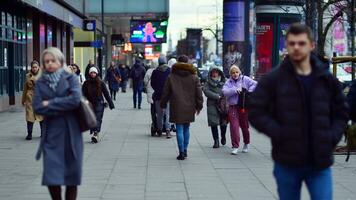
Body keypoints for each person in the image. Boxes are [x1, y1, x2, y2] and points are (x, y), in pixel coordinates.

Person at [248, 24, 349, 200]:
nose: (296, 47)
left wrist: (332, 136)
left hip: (320, 161)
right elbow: (256, 111)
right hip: (287, 161)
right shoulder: (274, 79)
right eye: (292, 43)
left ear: (311, 45)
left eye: (301, 43)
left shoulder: (326, 79)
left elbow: (341, 111)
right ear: (286, 45)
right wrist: (279, 133)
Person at [33, 47, 83, 200]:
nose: (49, 64)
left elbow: (75, 100)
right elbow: (38, 107)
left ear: (60, 62)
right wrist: (61, 105)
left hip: (71, 134)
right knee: (51, 177)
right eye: (46, 61)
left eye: (52, 60)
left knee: (71, 178)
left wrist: (51, 103)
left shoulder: (71, 78)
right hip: (51, 136)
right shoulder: (40, 82)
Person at [160, 55, 203, 160]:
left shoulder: (171, 76)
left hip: (176, 105)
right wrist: (199, 106)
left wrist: (163, 104)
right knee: (186, 128)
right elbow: (199, 93)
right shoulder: (194, 76)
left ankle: (181, 152)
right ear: (188, 62)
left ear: (177, 63)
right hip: (189, 106)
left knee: (179, 128)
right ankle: (185, 150)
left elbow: (165, 92)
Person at [222, 65, 257, 155]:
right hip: (233, 107)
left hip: (243, 107)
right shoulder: (228, 82)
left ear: (239, 72)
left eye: (236, 72)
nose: (235, 74)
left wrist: (248, 91)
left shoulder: (245, 79)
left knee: (244, 126)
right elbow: (224, 92)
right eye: (233, 72)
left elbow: (255, 84)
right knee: (234, 127)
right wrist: (234, 90)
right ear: (230, 74)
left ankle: (246, 143)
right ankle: (235, 146)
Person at [83, 67, 114, 143]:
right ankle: (95, 132)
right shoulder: (86, 83)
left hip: (99, 103)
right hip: (89, 104)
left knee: (98, 119)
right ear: (89, 74)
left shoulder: (101, 82)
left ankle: (95, 133)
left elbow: (106, 94)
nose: (93, 74)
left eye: (94, 73)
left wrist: (111, 103)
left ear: (97, 73)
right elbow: (82, 94)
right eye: (91, 73)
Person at [203, 67, 227, 148]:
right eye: (213, 72)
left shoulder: (224, 81)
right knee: (214, 123)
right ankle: (216, 141)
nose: (214, 73)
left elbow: (229, 89)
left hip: (223, 105)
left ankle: (223, 136)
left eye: (216, 72)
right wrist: (217, 96)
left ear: (219, 73)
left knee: (223, 123)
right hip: (212, 104)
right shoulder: (207, 82)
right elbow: (206, 91)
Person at [151, 55, 172, 138]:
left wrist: (157, 89)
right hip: (168, 96)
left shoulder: (155, 71)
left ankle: (159, 130)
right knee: (168, 113)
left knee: (159, 113)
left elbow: (152, 83)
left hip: (158, 95)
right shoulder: (170, 71)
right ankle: (167, 130)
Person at [22, 60, 44, 140]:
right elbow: (25, 88)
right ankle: (29, 134)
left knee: (41, 117)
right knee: (29, 116)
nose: (34, 68)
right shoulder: (28, 75)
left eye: (35, 67)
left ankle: (43, 133)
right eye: (33, 67)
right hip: (30, 98)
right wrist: (23, 99)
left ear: (38, 67)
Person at [144, 58, 159, 136]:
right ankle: (159, 123)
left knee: (153, 109)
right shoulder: (159, 71)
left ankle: (154, 122)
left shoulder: (149, 71)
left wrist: (147, 87)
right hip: (158, 93)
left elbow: (145, 81)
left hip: (150, 92)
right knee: (159, 109)